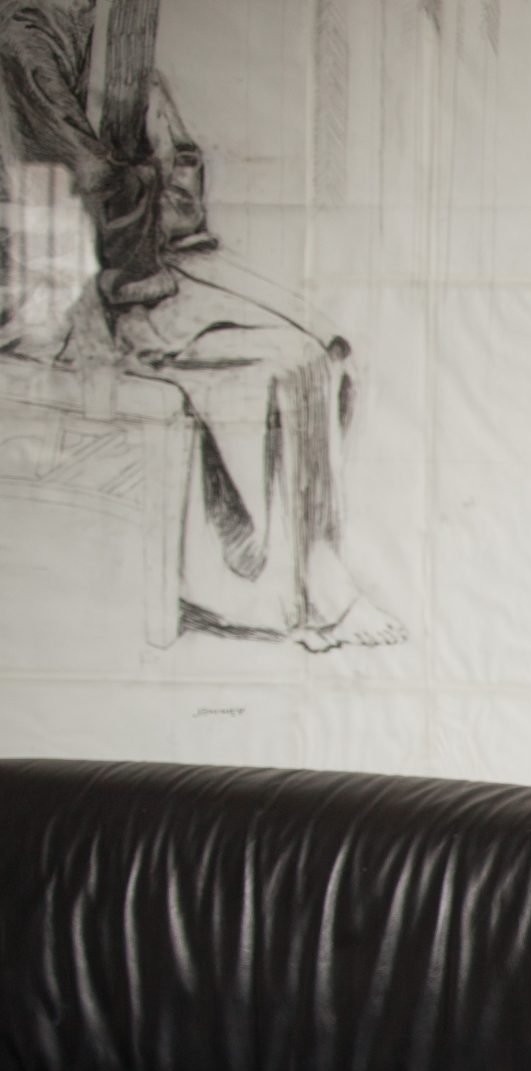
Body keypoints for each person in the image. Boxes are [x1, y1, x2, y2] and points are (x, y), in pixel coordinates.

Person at [0, 0, 403, 651]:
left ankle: (309, 581)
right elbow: (74, 178)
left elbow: (168, 162)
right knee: (270, 367)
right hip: (47, 291)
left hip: (130, 271)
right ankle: (291, 598)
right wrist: (141, 180)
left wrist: (164, 169)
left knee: (312, 355)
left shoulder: (107, 24)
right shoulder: (20, 32)